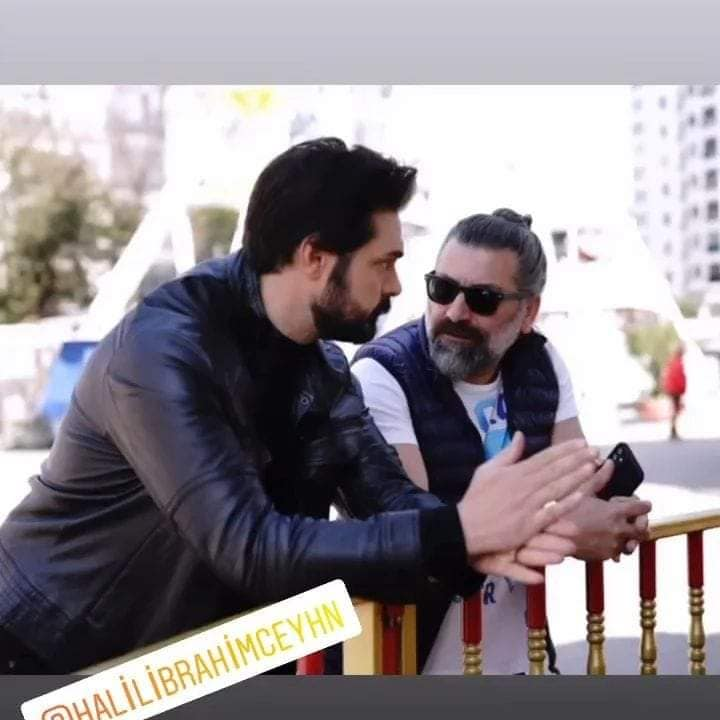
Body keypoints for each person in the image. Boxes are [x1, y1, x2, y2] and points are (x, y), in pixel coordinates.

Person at [0, 141, 607, 675]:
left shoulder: (324, 369)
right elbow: (249, 545)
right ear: (316, 258)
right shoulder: (162, 354)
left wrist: (506, 533)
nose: (397, 286)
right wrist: (461, 532)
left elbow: (391, 501)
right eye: (384, 263)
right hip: (49, 656)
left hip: (181, 663)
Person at [353, 209, 652, 674]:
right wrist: (568, 528)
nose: (455, 312)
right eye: (442, 289)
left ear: (528, 311)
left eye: (483, 299)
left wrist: (606, 513)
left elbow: (576, 485)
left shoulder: (540, 364)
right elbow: (415, 530)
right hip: (418, 663)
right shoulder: (383, 374)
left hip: (524, 659)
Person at [662, 344, 686, 440]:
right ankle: (673, 430)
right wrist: (682, 389)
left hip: (672, 389)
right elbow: (679, 378)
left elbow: (667, 376)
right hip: (676, 389)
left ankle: (673, 430)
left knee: (675, 409)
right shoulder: (678, 362)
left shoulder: (672, 361)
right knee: (676, 410)